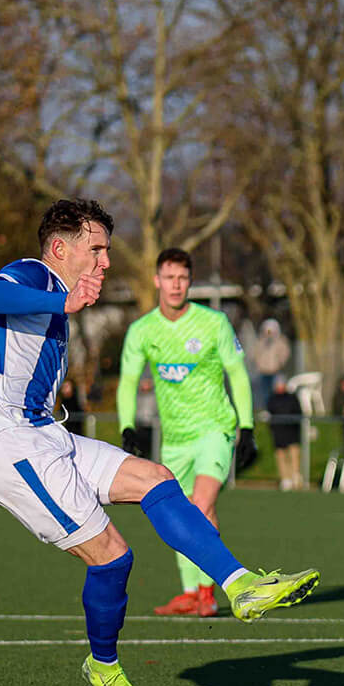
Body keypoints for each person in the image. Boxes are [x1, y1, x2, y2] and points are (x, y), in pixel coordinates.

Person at [0, 198, 318, 686]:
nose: (105, 261)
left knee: (154, 477)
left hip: (44, 434)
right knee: (113, 555)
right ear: (60, 249)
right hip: (3, 442)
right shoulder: (34, 274)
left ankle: (241, 586)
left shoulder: (59, 297)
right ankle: (103, 665)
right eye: (96, 249)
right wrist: (62, 306)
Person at [118, 247, 261, 618]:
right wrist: (127, 426)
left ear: (190, 281)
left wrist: (245, 426)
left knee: (201, 504)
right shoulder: (142, 331)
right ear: (157, 281)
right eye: (169, 277)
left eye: (182, 278)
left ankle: (207, 590)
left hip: (215, 428)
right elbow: (129, 381)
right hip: (175, 439)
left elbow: (238, 375)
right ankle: (190, 592)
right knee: (176, 513)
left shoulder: (214, 324)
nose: (176, 285)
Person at [266, 374, 305, 491]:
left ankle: (296, 478)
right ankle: (285, 479)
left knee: (294, 455)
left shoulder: (292, 398)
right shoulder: (272, 399)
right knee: (281, 457)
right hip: (278, 433)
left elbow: (298, 413)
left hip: (292, 432)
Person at [249, 318, 291, 413]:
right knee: (265, 392)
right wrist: (259, 363)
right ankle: (267, 410)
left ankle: (277, 410)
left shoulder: (281, 341)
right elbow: (254, 354)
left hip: (276, 371)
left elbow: (285, 353)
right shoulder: (260, 341)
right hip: (263, 371)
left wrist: (280, 363)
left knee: (276, 392)